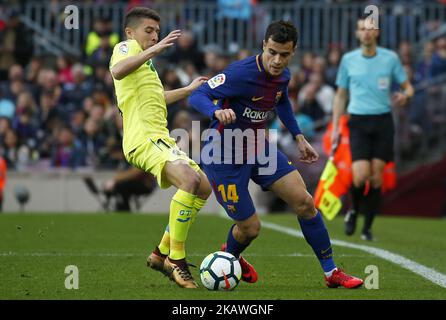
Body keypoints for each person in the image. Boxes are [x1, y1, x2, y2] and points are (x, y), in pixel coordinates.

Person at [189, 20, 363, 289]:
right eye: (272, 52)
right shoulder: (240, 73)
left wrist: (298, 136)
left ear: (293, 52)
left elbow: (281, 101)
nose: (277, 60)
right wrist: (215, 112)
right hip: (224, 156)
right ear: (263, 46)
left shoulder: (283, 76)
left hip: (259, 148)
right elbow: (198, 95)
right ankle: (231, 255)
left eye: (284, 54)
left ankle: (332, 273)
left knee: (305, 202)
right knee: (251, 228)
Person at [109, 7, 212, 288]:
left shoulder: (146, 65)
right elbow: (117, 71)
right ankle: (176, 259)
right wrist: (152, 52)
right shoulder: (125, 47)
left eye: (157, 31)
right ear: (131, 32)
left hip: (161, 138)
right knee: (189, 180)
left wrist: (188, 90)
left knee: (203, 186)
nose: (155, 37)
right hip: (143, 138)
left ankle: (159, 254)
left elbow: (157, 97)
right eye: (149, 31)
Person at [331, 16, 414, 241]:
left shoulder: (390, 58)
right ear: (357, 34)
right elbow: (340, 95)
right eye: (361, 29)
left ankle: (367, 228)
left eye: (370, 29)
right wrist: (337, 125)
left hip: (382, 121)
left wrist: (404, 96)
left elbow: (408, 88)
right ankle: (354, 210)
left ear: (376, 33)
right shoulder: (348, 60)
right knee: (360, 177)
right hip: (357, 120)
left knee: (376, 177)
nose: (366, 33)